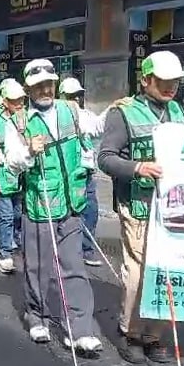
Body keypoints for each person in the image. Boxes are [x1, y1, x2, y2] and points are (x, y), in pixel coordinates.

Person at [3, 58, 101, 354]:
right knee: (38, 266)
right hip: (39, 205)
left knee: (74, 268)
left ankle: (79, 329)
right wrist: (29, 152)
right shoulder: (18, 121)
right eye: (38, 85)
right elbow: (12, 162)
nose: (45, 89)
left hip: (72, 204)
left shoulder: (71, 111)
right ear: (28, 89)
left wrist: (120, 108)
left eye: (49, 84)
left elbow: (96, 127)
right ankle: (38, 316)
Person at [98, 50, 184, 364]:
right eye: (164, 81)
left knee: (166, 271)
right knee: (138, 272)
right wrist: (138, 167)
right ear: (146, 79)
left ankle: (155, 335)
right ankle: (131, 332)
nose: (170, 87)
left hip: (172, 207)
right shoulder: (122, 112)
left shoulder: (178, 110)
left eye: (175, 81)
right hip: (137, 204)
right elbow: (106, 157)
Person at [59, 77, 107, 267]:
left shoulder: (85, 115)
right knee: (67, 213)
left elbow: (97, 128)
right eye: (71, 96)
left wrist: (113, 109)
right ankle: (65, 250)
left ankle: (86, 250)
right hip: (66, 173)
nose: (75, 99)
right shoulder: (56, 116)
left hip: (85, 172)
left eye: (78, 95)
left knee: (90, 211)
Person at [0, 80, 26, 273]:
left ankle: (13, 238)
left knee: (18, 214)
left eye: (21, 100)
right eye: (14, 100)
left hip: (21, 176)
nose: (19, 104)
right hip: (3, 175)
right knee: (6, 215)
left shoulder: (26, 118)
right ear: (5, 101)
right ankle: (5, 252)